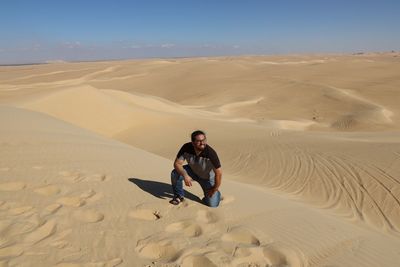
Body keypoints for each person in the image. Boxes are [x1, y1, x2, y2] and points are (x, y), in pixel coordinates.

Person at [170, 130, 222, 207]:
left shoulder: (210, 153)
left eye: (204, 140)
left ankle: (216, 194)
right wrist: (185, 175)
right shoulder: (186, 147)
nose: (202, 143)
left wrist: (214, 189)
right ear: (193, 142)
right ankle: (179, 196)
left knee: (212, 204)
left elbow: (219, 173)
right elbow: (177, 163)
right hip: (192, 172)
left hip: (207, 178)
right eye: (199, 141)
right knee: (175, 173)